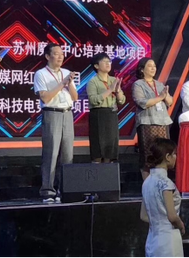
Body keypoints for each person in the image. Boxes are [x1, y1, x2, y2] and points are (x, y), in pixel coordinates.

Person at [33, 43, 78, 203]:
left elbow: (75, 97)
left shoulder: (66, 72)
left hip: (67, 113)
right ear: (47, 56)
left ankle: (64, 190)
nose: (60, 56)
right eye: (56, 54)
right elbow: (45, 97)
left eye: (62, 54)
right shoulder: (41, 74)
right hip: (52, 113)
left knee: (68, 155)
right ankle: (48, 191)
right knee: (51, 154)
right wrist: (62, 84)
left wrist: (69, 83)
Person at [141, 138, 185, 258]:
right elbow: (172, 216)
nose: (176, 157)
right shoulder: (166, 183)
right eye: (174, 154)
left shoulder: (147, 182)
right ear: (167, 157)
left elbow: (143, 216)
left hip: (152, 240)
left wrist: (158, 222)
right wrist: (181, 225)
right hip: (168, 239)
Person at [132, 57, 174, 180]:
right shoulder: (138, 84)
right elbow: (142, 102)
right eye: (150, 66)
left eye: (154, 66)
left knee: (163, 153)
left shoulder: (159, 84)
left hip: (162, 122)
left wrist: (165, 96)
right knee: (148, 154)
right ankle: (148, 184)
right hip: (147, 122)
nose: (153, 68)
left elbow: (170, 101)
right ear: (142, 69)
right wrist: (160, 97)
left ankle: (162, 182)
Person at [86, 53, 126, 163]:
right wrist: (110, 90)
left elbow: (122, 100)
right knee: (98, 147)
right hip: (98, 115)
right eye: (105, 61)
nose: (108, 64)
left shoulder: (113, 80)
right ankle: (97, 170)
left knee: (110, 147)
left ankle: (108, 169)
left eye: (109, 61)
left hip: (111, 114)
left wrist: (117, 91)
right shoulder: (93, 81)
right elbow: (93, 100)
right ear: (96, 66)